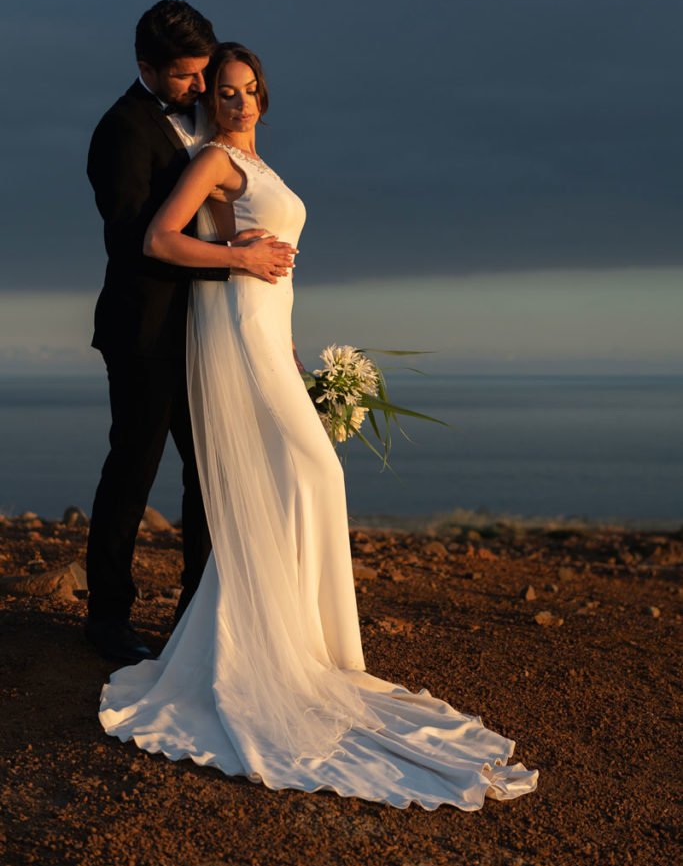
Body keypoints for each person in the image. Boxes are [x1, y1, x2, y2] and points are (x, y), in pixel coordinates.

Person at [97, 42, 538, 810]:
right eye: (222, 93)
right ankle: (280, 647)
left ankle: (303, 643)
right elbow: (159, 239)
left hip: (271, 334)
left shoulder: (257, 167)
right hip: (234, 326)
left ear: (263, 95)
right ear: (208, 103)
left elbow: (255, 250)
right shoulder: (208, 159)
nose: (234, 103)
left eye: (245, 91)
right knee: (313, 474)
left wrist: (291, 346)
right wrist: (235, 261)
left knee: (294, 479)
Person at [85, 2, 296, 664]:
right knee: (134, 470)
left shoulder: (205, 114)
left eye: (204, 74)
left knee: (209, 474)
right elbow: (135, 245)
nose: (199, 88)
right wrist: (234, 261)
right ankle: (107, 617)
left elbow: (223, 194)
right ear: (145, 68)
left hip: (211, 330)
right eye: (183, 77)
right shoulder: (120, 131)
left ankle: (197, 614)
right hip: (145, 331)